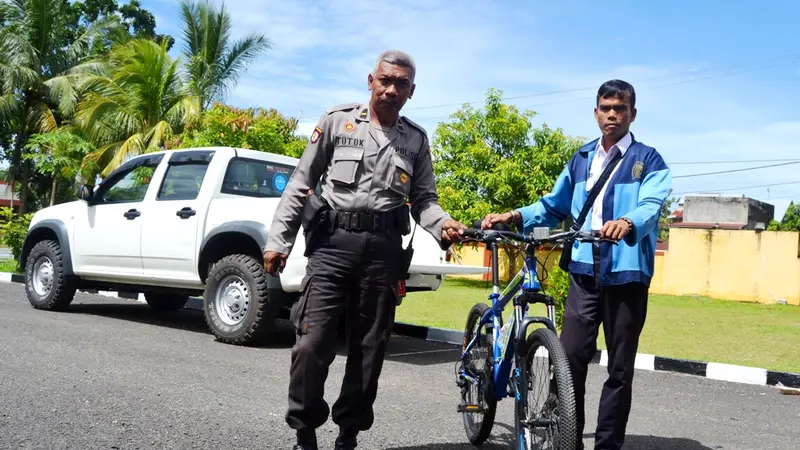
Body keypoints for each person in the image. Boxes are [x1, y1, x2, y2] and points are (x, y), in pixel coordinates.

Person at [263, 50, 467, 450]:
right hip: (332, 247)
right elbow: (300, 184)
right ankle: (304, 431)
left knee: (368, 350)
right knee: (311, 341)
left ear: (411, 90)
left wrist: (443, 224)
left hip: (382, 253)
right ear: (370, 80)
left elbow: (424, 200)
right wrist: (278, 241)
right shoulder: (337, 122)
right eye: (385, 80)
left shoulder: (416, 140)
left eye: (401, 84)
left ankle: (348, 435)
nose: (391, 89)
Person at [481, 80, 672, 450]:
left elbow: (651, 206)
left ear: (633, 113)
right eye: (606, 107)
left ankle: (607, 445)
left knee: (619, 368)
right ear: (596, 112)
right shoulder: (582, 158)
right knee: (568, 362)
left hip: (626, 275)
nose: (612, 114)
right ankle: (568, 440)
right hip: (584, 272)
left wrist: (628, 222)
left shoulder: (648, 160)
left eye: (620, 108)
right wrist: (514, 214)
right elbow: (553, 205)